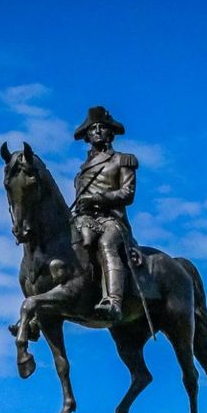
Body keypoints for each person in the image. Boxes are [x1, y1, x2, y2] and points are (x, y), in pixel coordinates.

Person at [73, 106, 138, 324]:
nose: (98, 131)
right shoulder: (81, 171)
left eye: (102, 128)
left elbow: (127, 194)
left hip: (113, 220)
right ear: (88, 135)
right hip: (86, 221)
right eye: (93, 128)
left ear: (110, 133)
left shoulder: (122, 160)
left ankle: (114, 301)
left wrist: (98, 198)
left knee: (106, 244)